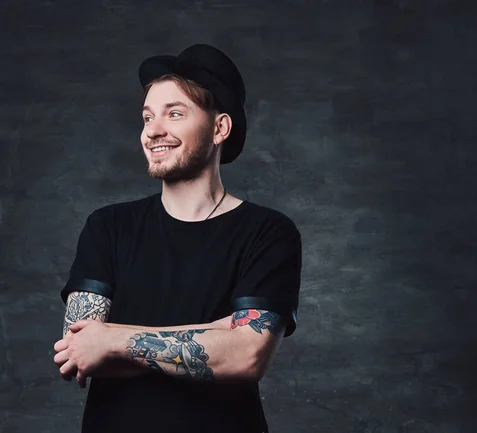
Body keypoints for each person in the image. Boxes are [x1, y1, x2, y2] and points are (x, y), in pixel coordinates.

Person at [53, 43, 302, 433]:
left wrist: (114, 338)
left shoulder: (268, 232)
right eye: (147, 116)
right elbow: (81, 351)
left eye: (175, 113)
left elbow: (247, 356)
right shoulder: (108, 227)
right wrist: (220, 334)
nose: (153, 131)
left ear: (219, 127)